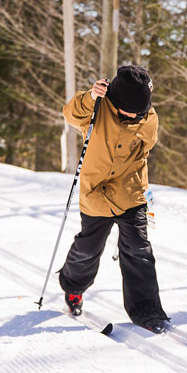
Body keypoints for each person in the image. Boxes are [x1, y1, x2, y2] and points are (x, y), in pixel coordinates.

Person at [58, 65, 168, 333]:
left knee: (139, 251)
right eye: (127, 110)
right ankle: (73, 288)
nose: (132, 115)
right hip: (95, 193)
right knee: (88, 247)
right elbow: (70, 113)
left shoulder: (148, 117)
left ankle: (147, 310)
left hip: (131, 192)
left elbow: (148, 145)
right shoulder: (97, 107)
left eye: (137, 111)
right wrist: (89, 97)